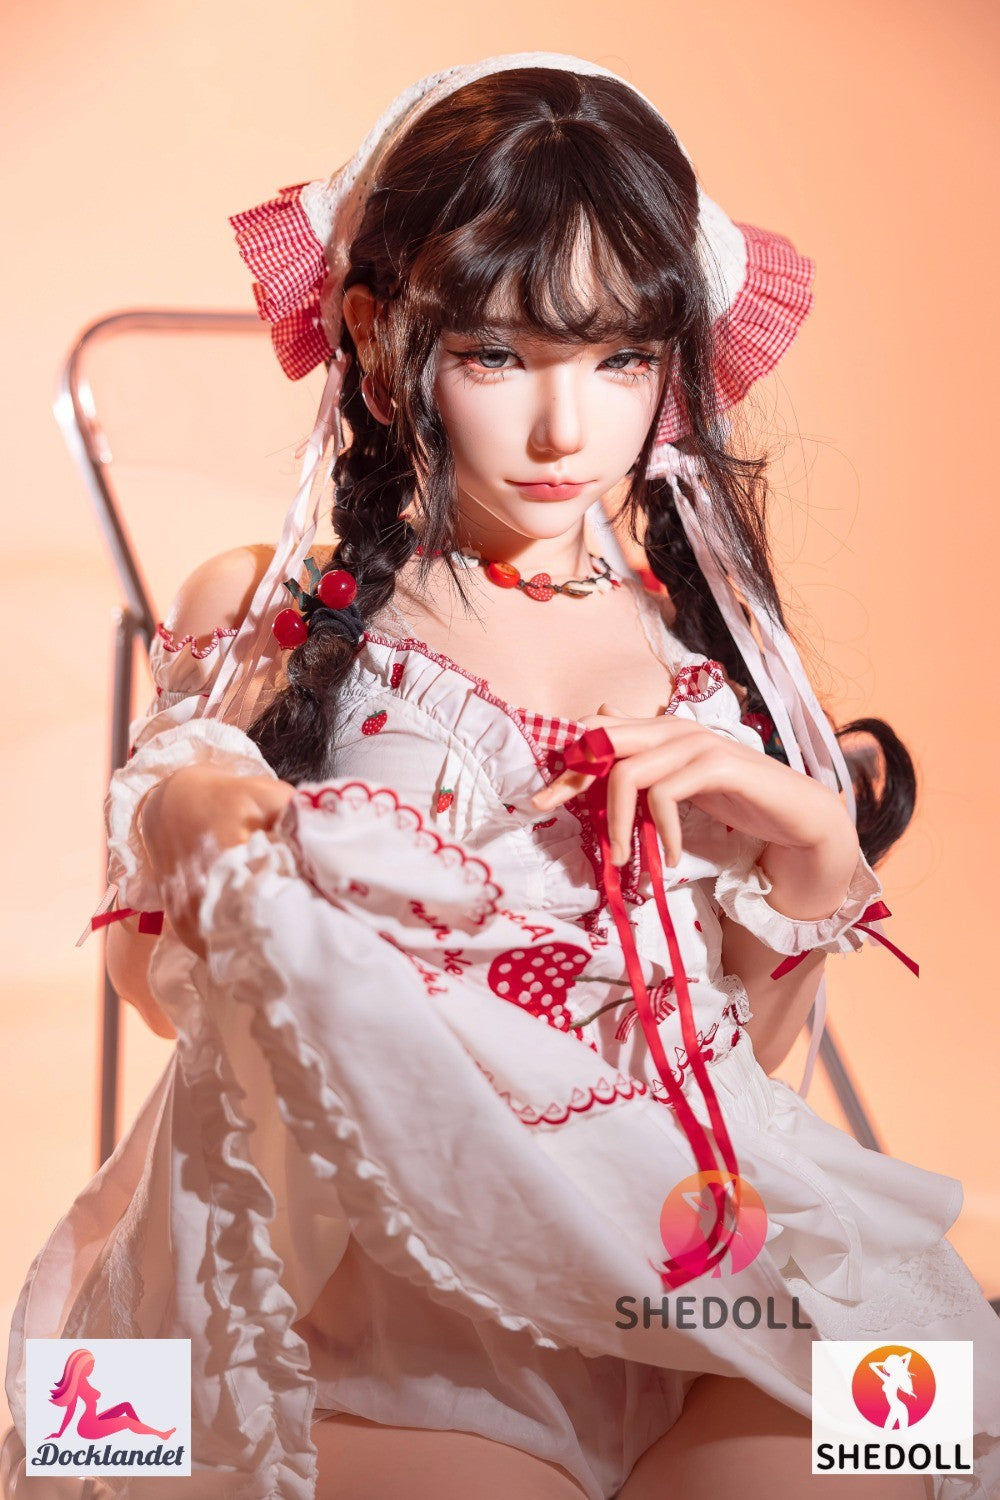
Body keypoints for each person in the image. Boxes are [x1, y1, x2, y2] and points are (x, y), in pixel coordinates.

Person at [6, 52, 1000, 1500]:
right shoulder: (280, 611)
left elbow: (750, 1060)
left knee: (907, 1441)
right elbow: (153, 991)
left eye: (619, 360)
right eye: (497, 356)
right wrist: (207, 825)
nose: (564, 432)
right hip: (387, 1286)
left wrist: (817, 862)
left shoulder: (712, 656)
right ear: (375, 333)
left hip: (691, 1260)